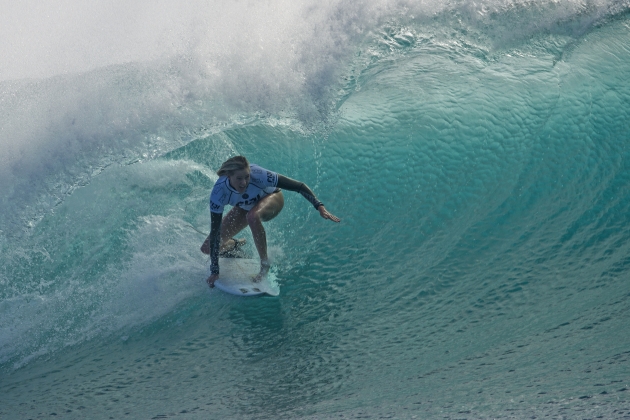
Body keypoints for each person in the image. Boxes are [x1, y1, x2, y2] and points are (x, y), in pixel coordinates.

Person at [201, 156, 340, 288]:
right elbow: (215, 231)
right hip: (244, 207)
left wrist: (319, 206)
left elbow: (299, 186)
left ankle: (264, 264)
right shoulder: (219, 192)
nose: (244, 182)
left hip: (272, 198)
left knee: (252, 216)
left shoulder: (259, 175)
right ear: (228, 176)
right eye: (239, 178)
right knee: (207, 248)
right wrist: (215, 271)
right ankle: (233, 244)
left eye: (246, 177)